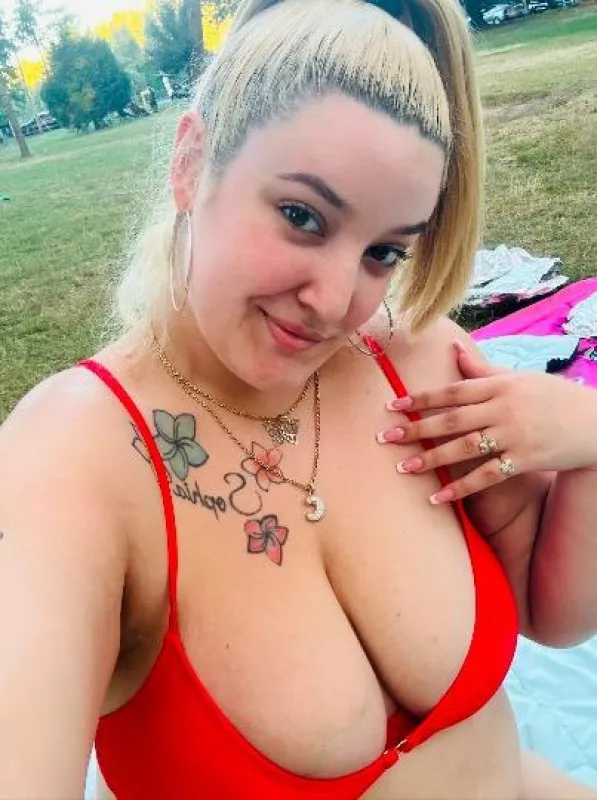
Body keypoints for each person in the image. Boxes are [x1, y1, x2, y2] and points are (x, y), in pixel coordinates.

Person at [1, 0, 596, 797]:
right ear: (191, 162)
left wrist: (587, 437)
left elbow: (554, 614)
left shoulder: (414, 361)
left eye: (383, 252)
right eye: (301, 217)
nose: (336, 301)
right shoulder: (74, 456)